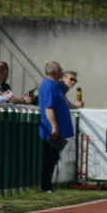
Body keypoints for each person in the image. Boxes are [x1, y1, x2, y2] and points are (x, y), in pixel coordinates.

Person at [38, 61, 74, 193]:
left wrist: (69, 80)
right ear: (56, 72)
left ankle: (47, 185)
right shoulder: (48, 86)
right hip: (50, 129)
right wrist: (54, 126)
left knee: (52, 157)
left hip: (55, 129)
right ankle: (46, 186)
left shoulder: (54, 85)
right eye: (60, 71)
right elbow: (49, 108)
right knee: (49, 158)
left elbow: (64, 87)